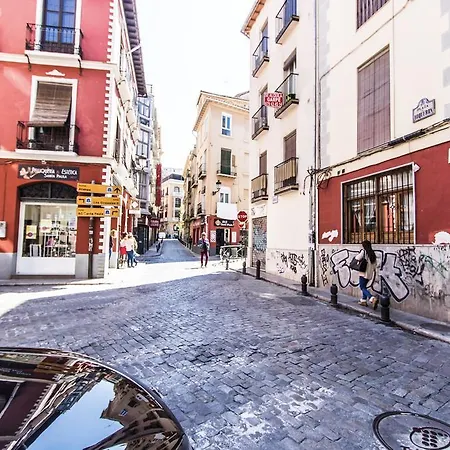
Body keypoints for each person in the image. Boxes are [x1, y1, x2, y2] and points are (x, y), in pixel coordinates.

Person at [356, 240, 378, 308]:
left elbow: (357, 258)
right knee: (364, 287)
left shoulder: (364, 252)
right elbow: (375, 264)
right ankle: (364, 301)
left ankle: (372, 298)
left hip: (363, 272)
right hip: (369, 273)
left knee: (362, 287)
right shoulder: (372, 253)